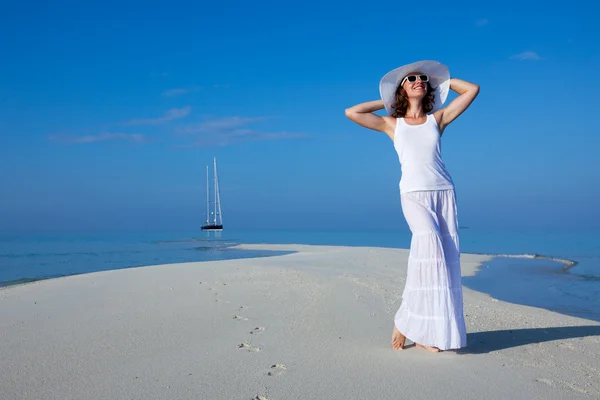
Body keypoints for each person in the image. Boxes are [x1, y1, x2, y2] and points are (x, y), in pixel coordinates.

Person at [344, 60, 480, 352]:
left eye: (423, 78)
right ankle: (407, 321)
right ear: (401, 90)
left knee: (445, 262)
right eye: (411, 79)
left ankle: (427, 332)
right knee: (428, 250)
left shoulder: (438, 119)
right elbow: (352, 112)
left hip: (443, 192)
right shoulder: (392, 124)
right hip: (414, 194)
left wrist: (440, 80)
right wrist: (388, 100)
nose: (419, 80)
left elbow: (472, 89)